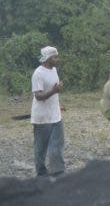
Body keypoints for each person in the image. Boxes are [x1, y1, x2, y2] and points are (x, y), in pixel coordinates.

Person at [31, 46, 65, 176]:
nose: (57, 59)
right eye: (55, 57)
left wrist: (58, 104)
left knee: (57, 145)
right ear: (47, 58)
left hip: (56, 115)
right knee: (41, 149)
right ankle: (41, 174)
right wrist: (54, 91)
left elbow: (53, 92)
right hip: (42, 118)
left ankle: (58, 173)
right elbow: (38, 96)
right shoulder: (38, 73)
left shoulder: (54, 70)